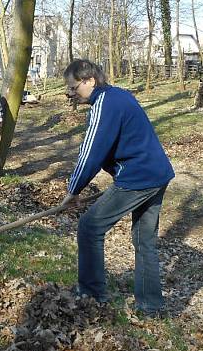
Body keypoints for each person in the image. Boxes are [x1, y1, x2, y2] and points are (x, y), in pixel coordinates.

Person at [60, 59, 174, 316]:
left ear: (89, 81)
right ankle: (151, 307)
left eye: (73, 88)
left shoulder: (104, 104)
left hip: (138, 179)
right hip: (158, 173)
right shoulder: (119, 95)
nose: (72, 94)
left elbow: (91, 151)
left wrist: (73, 191)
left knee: (90, 226)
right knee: (144, 240)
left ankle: (91, 294)